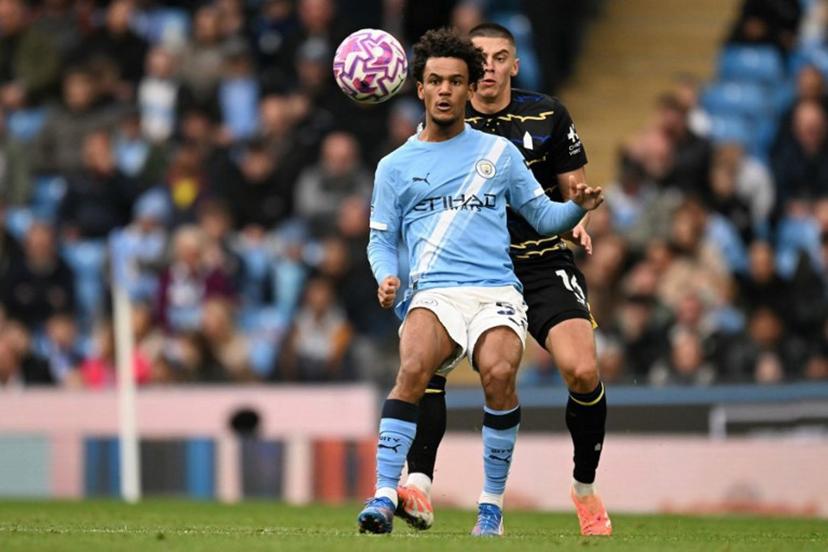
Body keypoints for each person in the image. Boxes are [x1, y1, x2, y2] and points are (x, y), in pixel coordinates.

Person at [356, 28, 603, 536]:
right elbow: (380, 240)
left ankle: (491, 506)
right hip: (434, 291)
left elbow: (542, 216)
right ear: (420, 89)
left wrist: (576, 209)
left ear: (470, 89)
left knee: (500, 374)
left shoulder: (500, 152)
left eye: (455, 82)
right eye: (435, 81)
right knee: (414, 368)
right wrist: (386, 277)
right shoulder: (394, 165)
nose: (445, 90)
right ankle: (385, 493)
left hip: (497, 287)